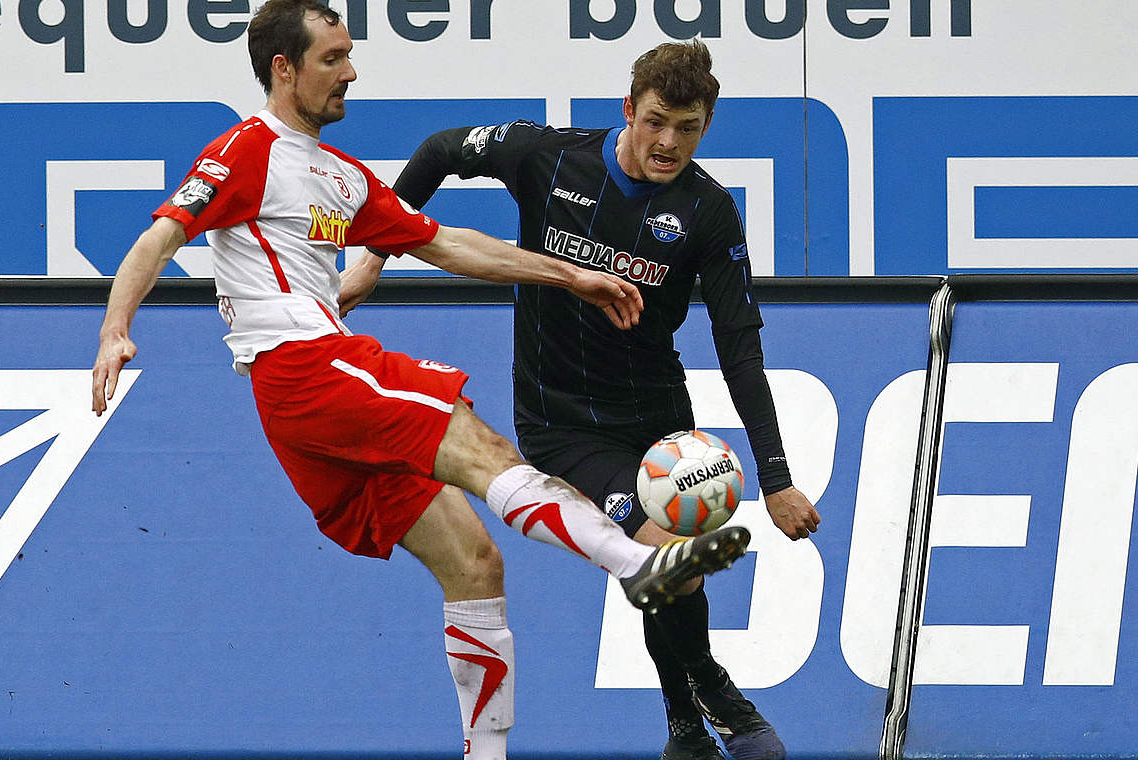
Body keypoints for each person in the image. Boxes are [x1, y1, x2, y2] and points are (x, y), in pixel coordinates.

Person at [90, 4, 751, 758]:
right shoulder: (247, 149)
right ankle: (638, 565)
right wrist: (116, 329)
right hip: (304, 365)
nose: (352, 71)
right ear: (284, 68)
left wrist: (569, 274)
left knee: (472, 560)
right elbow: (163, 233)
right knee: (480, 446)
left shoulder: (341, 178)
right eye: (333, 57)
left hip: (309, 400)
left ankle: (486, 753)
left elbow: (450, 244)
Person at [340, 39, 822, 760]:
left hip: (659, 415)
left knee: (672, 565)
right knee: (665, 552)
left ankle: (684, 731)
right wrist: (374, 255)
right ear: (628, 109)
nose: (668, 142)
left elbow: (739, 345)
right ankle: (714, 688)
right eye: (656, 120)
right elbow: (440, 150)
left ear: (707, 125)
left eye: (687, 128)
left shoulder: (709, 211)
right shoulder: (550, 158)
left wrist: (778, 480)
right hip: (561, 420)